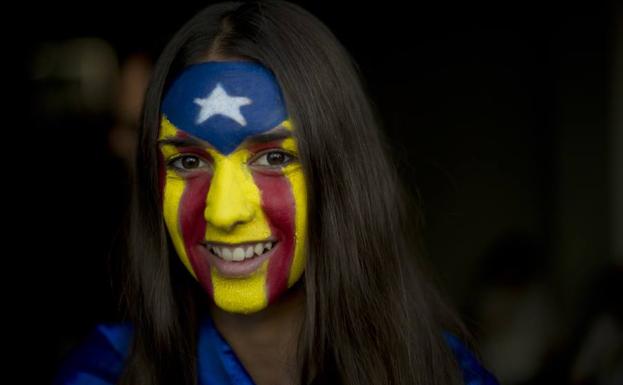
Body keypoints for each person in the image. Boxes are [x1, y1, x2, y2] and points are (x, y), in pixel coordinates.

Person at [53, 1, 500, 384]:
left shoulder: (442, 373)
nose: (224, 212)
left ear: (340, 176)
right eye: (188, 162)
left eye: (274, 158)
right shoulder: (106, 374)